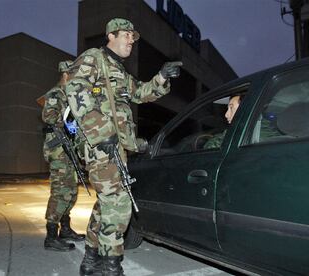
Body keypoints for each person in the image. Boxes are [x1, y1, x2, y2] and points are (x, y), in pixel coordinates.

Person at [65, 18, 182, 275]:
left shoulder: (118, 69)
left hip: (116, 147)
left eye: (133, 36)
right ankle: (111, 267)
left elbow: (140, 93)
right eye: (127, 35)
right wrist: (101, 133)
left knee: (105, 206)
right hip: (100, 145)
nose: (132, 40)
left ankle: (91, 259)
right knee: (119, 205)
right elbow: (75, 89)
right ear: (111, 35)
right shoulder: (94, 58)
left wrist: (162, 77)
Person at [42, 60, 86, 252]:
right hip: (58, 151)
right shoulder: (55, 94)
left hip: (69, 150)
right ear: (66, 75)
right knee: (60, 192)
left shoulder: (69, 97)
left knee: (72, 192)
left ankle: (65, 229)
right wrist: (67, 120)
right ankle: (51, 237)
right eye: (74, 76)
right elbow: (48, 117)